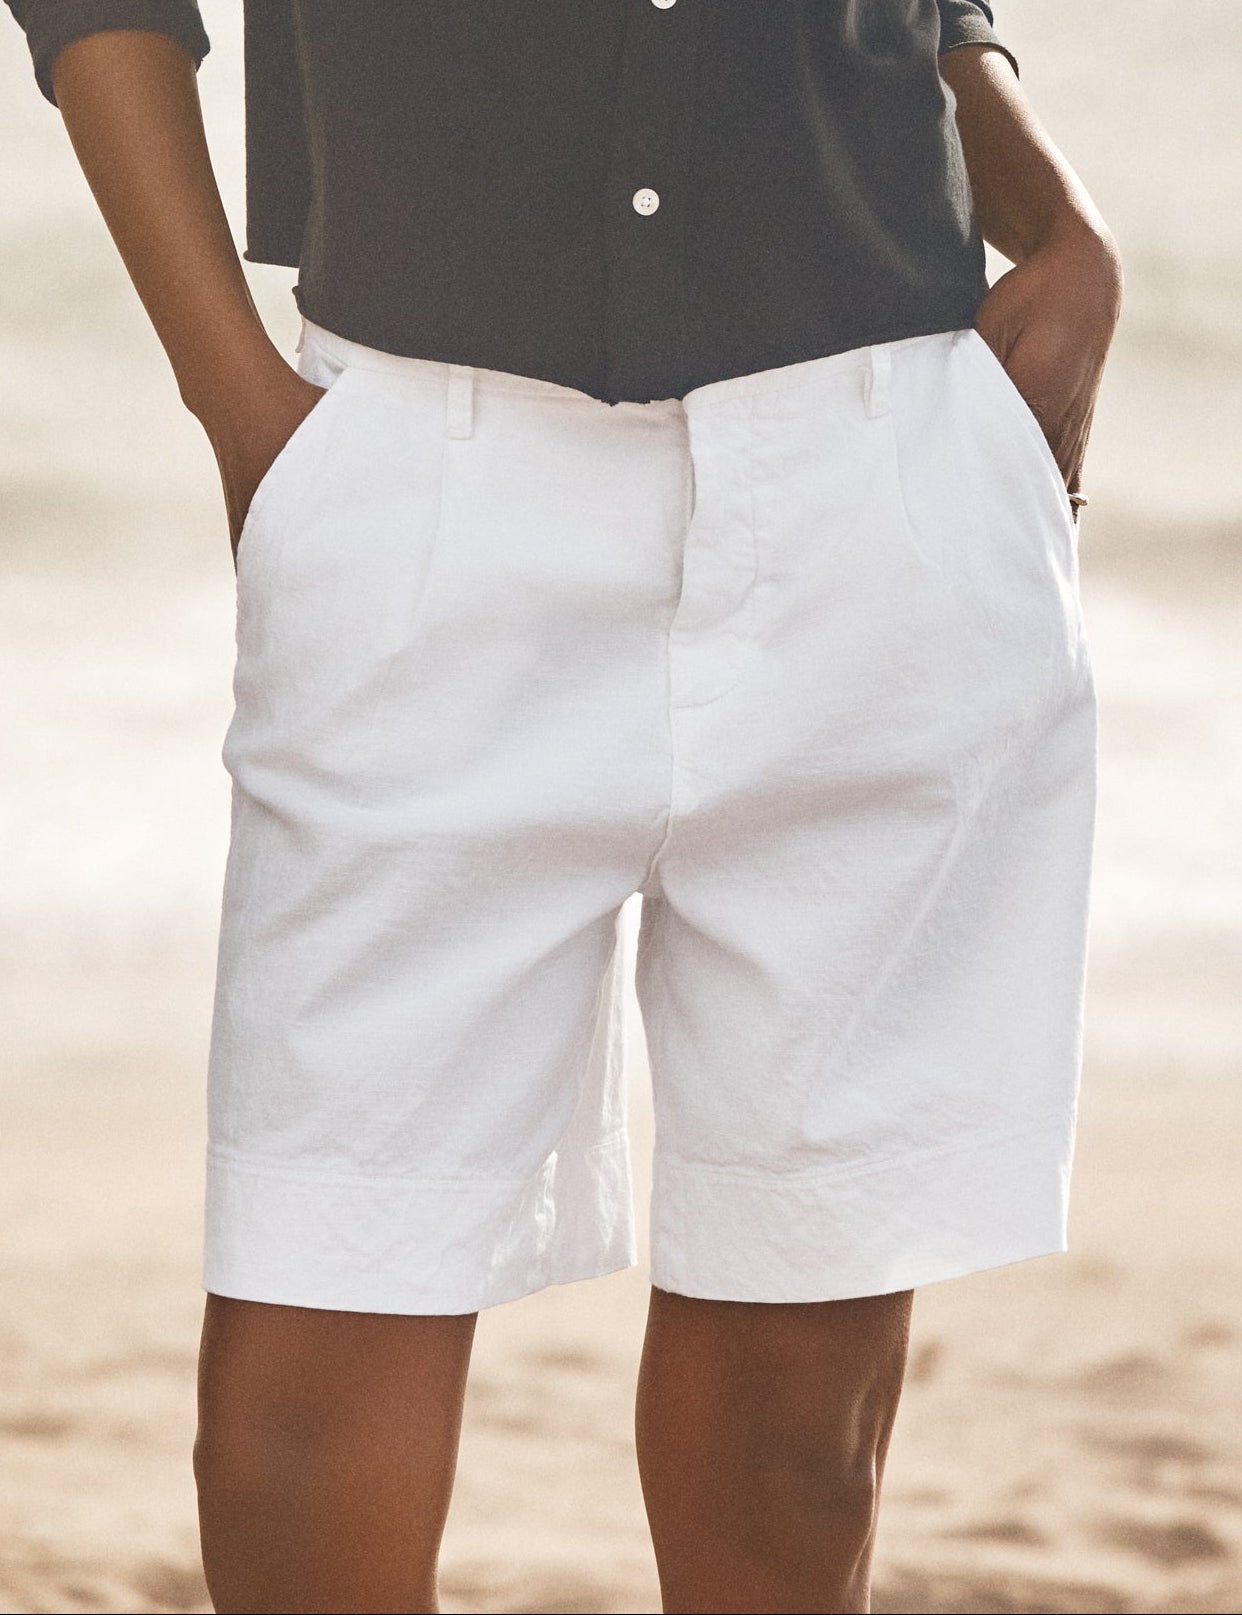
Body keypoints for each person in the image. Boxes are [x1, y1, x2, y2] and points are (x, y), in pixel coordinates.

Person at [5, 4, 1121, 1611]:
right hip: (432, 493)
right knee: (296, 1402)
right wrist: (234, 400)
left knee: (801, 1432)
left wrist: (1053, 216)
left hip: (881, 497)